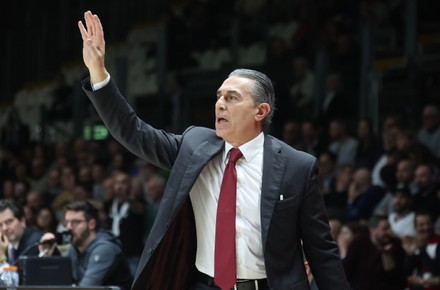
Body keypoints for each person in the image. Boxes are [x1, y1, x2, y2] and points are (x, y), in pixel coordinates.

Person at [77, 11, 349, 290]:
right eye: (219, 97)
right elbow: (133, 132)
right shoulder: (195, 145)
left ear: (260, 111)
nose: (220, 104)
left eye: (232, 98)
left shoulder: (297, 166)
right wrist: (98, 72)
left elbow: (322, 250)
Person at [40, 200, 133, 289]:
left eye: (75, 222)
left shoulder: (105, 249)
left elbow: (85, 288)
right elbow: (62, 281)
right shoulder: (75, 247)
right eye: (67, 222)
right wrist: (51, 256)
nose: (68, 227)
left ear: (91, 224)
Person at [343, 215, 406, 290]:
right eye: (385, 229)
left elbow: (394, 276)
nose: (389, 232)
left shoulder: (395, 244)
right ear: (373, 229)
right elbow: (347, 269)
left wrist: (385, 254)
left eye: (389, 228)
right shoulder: (359, 242)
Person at [402, 211, 440, 290]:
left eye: (428, 223)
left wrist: (422, 250)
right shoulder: (410, 243)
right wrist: (410, 256)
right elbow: (406, 273)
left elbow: (437, 271)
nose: (426, 228)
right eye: (421, 225)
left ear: (433, 224)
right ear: (415, 227)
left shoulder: (438, 242)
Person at [0, 199, 43, 265]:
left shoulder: (35, 243)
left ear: (22, 221)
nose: (4, 228)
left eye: (9, 222)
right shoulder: (3, 245)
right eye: (0, 225)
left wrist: (2, 256)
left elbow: (18, 274)